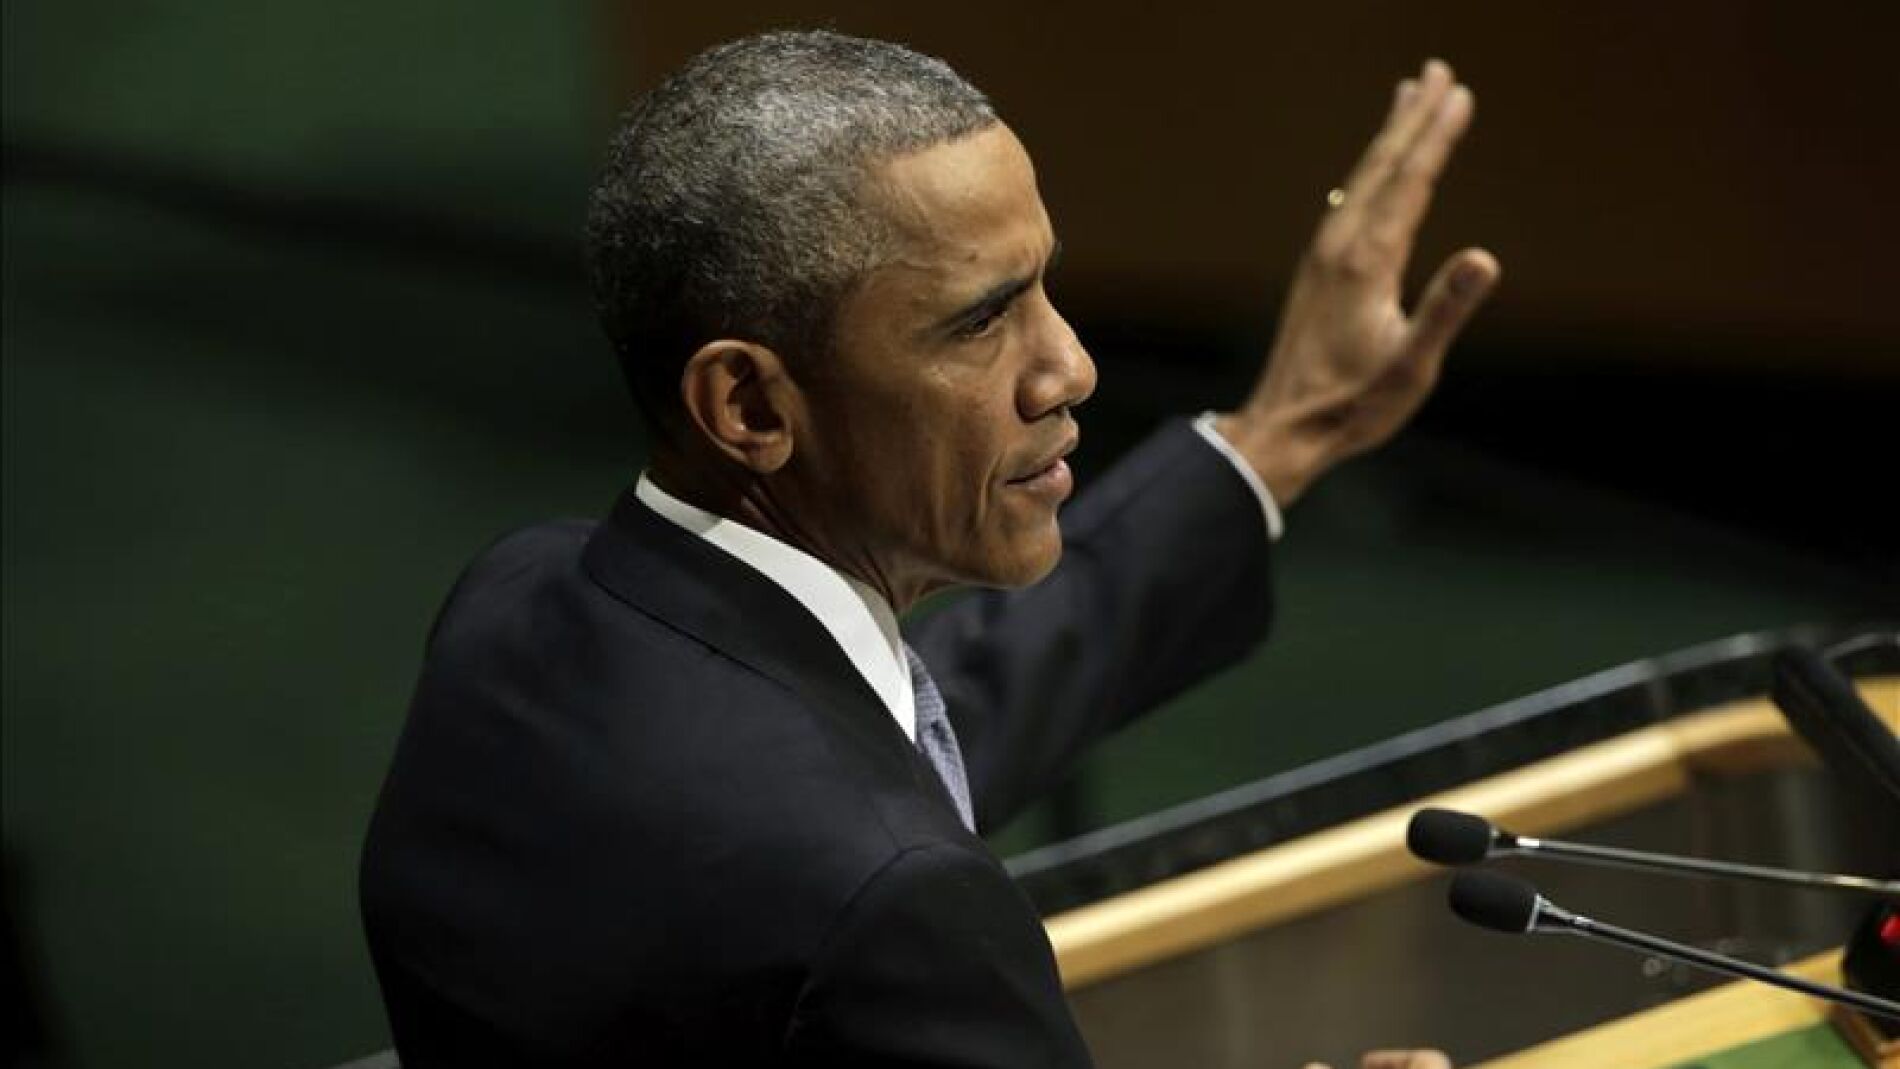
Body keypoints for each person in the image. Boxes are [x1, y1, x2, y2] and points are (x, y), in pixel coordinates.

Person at [360, 30, 1498, 1069]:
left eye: (1044, 285)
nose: (1068, 368)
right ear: (750, 403)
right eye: (979, 321)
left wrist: (1284, 432)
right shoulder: (889, 904)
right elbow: (852, 845)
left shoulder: (519, 605)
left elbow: (913, 727)